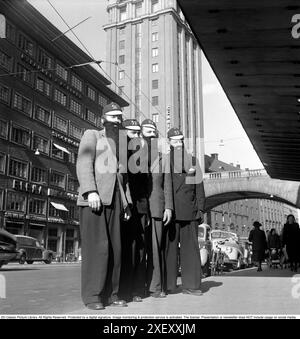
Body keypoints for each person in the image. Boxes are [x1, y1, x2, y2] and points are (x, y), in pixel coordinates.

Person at [76, 102, 132, 310]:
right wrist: (90, 190)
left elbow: (121, 178)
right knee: (96, 250)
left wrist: (126, 204)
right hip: (94, 200)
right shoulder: (92, 135)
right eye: (113, 116)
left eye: (119, 117)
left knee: (115, 250)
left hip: (115, 202)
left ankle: (112, 294)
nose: (117, 120)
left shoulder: (120, 144)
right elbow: (83, 163)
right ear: (103, 119)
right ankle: (92, 296)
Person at [165, 128, 205, 296]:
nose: (179, 143)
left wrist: (200, 209)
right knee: (170, 250)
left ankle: (191, 285)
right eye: (175, 141)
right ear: (169, 142)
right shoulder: (164, 161)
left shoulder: (193, 161)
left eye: (181, 140)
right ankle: (169, 285)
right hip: (171, 212)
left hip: (190, 211)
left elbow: (199, 188)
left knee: (190, 250)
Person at [141, 119, 173, 298]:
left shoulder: (162, 158)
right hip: (137, 206)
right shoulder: (132, 153)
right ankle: (136, 287)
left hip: (156, 206)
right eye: (147, 130)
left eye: (153, 131)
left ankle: (155, 286)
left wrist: (168, 207)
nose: (150, 133)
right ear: (140, 133)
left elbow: (167, 184)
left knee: (155, 248)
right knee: (137, 249)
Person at [119, 119, 151, 302]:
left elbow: (145, 185)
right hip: (125, 206)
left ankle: (137, 290)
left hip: (139, 208)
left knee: (139, 249)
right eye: (132, 132)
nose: (136, 136)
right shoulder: (119, 152)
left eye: (138, 133)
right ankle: (123, 291)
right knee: (125, 249)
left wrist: (144, 211)